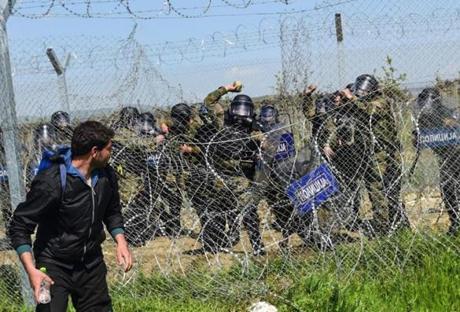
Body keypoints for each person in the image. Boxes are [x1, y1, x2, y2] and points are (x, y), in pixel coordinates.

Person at [8, 121, 133, 312]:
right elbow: (20, 225)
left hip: (90, 263)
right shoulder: (53, 181)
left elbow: (112, 210)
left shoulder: (106, 175)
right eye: (109, 149)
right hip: (54, 264)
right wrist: (31, 270)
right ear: (94, 151)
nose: (111, 153)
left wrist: (121, 241)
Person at [336, 74, 409, 235]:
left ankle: (387, 226)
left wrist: (351, 98)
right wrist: (342, 101)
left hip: (386, 154)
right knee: (377, 189)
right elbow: (350, 116)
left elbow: (370, 110)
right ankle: (390, 224)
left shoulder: (380, 102)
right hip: (372, 153)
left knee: (384, 189)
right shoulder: (362, 104)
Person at [199, 91, 265, 256]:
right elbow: (209, 102)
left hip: (237, 179)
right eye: (238, 109)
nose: (240, 114)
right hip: (221, 178)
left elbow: (267, 144)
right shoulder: (222, 124)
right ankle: (219, 244)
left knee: (248, 213)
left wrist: (260, 137)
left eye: (244, 111)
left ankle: (257, 247)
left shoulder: (254, 131)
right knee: (220, 213)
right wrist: (226, 89)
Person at [415, 88, 460, 236]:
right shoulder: (422, 118)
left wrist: (452, 124)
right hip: (445, 159)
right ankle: (455, 222)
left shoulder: (447, 113)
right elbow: (419, 139)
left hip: (457, 154)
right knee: (447, 189)